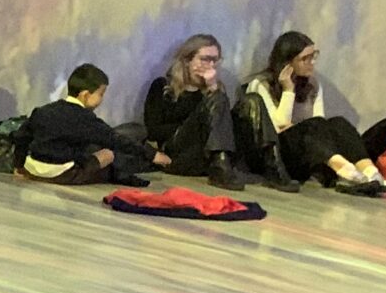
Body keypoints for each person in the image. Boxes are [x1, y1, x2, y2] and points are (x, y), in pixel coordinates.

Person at [239, 32, 386, 195]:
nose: (311, 63)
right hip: (278, 157)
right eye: (305, 59)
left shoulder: (312, 85)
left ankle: (370, 172)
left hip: (307, 152)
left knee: (338, 123)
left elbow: (320, 124)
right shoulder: (260, 85)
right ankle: (346, 171)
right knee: (312, 126)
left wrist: (301, 128)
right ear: (287, 63)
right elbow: (278, 125)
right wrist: (288, 90)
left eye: (313, 56)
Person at [22, 65, 156, 185]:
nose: (102, 99)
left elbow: (22, 136)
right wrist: (151, 154)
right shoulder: (84, 118)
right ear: (85, 95)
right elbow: (113, 139)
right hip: (63, 173)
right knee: (108, 154)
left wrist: (19, 165)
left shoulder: (43, 110)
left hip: (32, 170)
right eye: (101, 94)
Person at [141, 33, 240, 185]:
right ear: (187, 60)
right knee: (216, 99)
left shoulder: (215, 91)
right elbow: (153, 131)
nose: (210, 65)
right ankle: (221, 168)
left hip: (203, 156)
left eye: (215, 60)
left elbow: (222, 131)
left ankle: (221, 165)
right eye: (205, 59)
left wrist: (212, 89)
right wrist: (193, 123)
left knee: (224, 100)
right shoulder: (163, 86)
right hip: (175, 155)